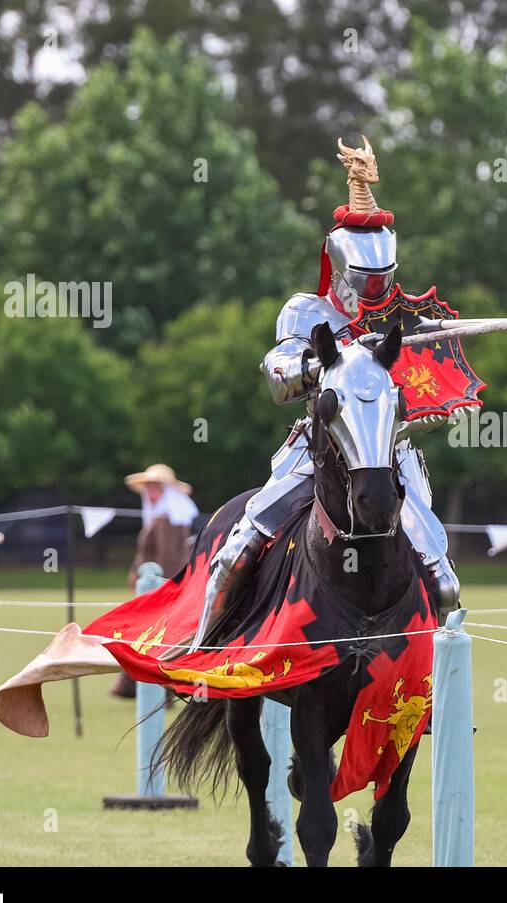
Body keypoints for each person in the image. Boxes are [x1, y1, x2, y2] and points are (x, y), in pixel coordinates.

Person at [189, 135, 459, 652]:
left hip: (388, 454)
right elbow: (276, 374)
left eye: (385, 279)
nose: (377, 289)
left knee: (444, 580)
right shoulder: (306, 312)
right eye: (367, 278)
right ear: (341, 267)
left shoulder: (402, 320)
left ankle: (436, 691)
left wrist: (429, 340)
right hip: (318, 452)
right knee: (240, 548)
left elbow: (424, 395)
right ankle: (203, 655)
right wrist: (316, 361)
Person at [111, 462, 199, 698]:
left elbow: (169, 558)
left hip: (160, 585)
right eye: (148, 486)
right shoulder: (162, 515)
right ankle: (132, 686)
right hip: (153, 583)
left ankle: (156, 689)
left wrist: (159, 587)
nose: (150, 491)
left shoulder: (167, 520)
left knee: (156, 637)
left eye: (155, 486)